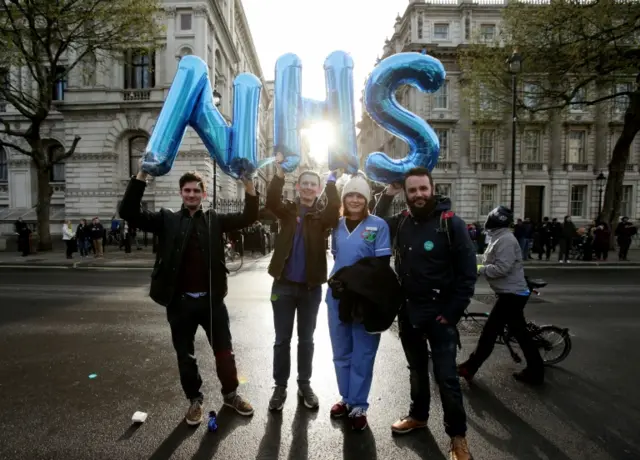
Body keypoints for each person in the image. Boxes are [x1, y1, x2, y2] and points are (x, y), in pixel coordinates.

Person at [119, 167, 259, 425]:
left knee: (224, 351)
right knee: (186, 355)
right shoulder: (167, 219)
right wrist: (141, 176)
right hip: (180, 302)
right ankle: (195, 400)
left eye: (196, 190)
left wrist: (249, 184)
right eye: (187, 190)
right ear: (181, 193)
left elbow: (250, 215)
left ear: (204, 194)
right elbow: (128, 212)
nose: (192, 194)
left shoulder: (214, 220)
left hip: (212, 301)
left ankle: (231, 394)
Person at [375, 167, 476, 460]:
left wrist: (451, 314)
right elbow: (376, 225)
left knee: (446, 378)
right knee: (417, 371)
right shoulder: (403, 221)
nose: (419, 195)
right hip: (408, 311)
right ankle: (418, 416)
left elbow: (468, 274)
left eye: (423, 189)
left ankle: (458, 437)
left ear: (432, 189)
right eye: (412, 190)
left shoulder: (451, 224)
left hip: (440, 315)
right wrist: (388, 194)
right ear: (406, 194)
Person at [265, 154, 341, 412]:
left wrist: (332, 180)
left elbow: (335, 208)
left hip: (310, 288)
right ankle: (280, 387)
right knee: (281, 340)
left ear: (317, 189)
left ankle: (304, 384)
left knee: (306, 340)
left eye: (313, 184)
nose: (309, 187)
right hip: (283, 286)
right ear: (298, 187)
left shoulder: (322, 217)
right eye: (304, 183)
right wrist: (278, 174)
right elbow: (270, 200)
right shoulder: (286, 211)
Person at [325, 174, 392, 430]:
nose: (354, 199)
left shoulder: (378, 225)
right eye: (350, 195)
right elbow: (338, 257)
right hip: (337, 297)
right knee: (341, 351)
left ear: (366, 199)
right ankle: (346, 398)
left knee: (363, 353)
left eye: (359, 195)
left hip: (366, 299)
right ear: (344, 199)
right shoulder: (336, 225)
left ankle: (359, 406)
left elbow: (381, 267)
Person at [457, 206, 544, 386]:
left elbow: (501, 268)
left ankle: (470, 367)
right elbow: (487, 259)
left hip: (511, 295)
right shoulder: (499, 237)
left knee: (490, 333)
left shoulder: (505, 240)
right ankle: (536, 370)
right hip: (510, 293)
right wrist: (468, 258)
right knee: (520, 335)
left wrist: (479, 269)